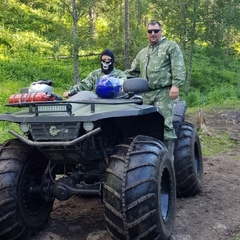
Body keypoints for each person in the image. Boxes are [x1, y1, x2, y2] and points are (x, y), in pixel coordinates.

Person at [124, 20, 186, 161]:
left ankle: (168, 162)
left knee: (165, 126)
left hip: (164, 93)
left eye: (156, 31)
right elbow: (133, 71)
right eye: (150, 31)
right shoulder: (143, 53)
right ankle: (152, 161)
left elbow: (178, 66)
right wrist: (117, 79)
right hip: (146, 95)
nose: (153, 34)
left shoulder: (170, 46)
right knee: (148, 127)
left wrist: (176, 85)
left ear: (161, 31)